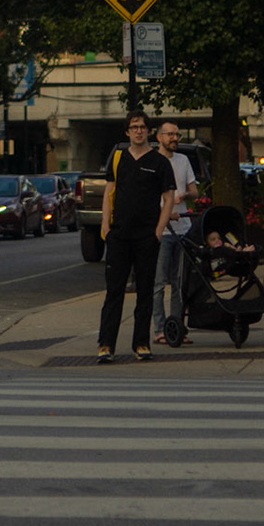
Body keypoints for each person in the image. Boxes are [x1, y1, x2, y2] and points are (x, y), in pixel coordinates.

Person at [98, 110, 177, 363]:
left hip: (147, 236)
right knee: (114, 291)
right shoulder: (118, 158)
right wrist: (106, 227)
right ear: (127, 132)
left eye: (142, 127)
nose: (139, 131)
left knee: (145, 291)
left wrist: (158, 230)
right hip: (119, 235)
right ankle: (106, 345)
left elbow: (168, 199)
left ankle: (141, 343)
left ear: (149, 131)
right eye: (134, 127)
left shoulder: (160, 163)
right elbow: (109, 192)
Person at [150, 120, 200, 345]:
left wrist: (184, 196)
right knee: (159, 282)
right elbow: (147, 196)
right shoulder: (152, 162)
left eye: (177, 135)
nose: (174, 138)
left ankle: (177, 328)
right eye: (170, 134)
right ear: (159, 137)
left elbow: (194, 191)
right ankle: (159, 329)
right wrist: (165, 214)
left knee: (179, 282)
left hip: (183, 229)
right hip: (163, 230)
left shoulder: (183, 160)